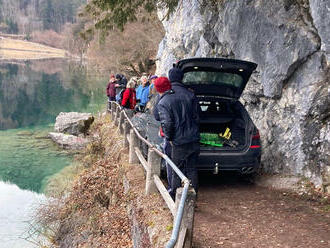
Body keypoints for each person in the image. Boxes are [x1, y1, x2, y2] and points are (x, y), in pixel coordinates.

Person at [153, 70, 200, 200]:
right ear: (182, 78)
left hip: (178, 141)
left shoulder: (164, 100)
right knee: (192, 169)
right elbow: (197, 117)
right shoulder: (190, 94)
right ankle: (193, 198)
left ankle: (174, 198)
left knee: (175, 170)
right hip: (194, 138)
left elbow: (165, 122)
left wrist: (170, 138)